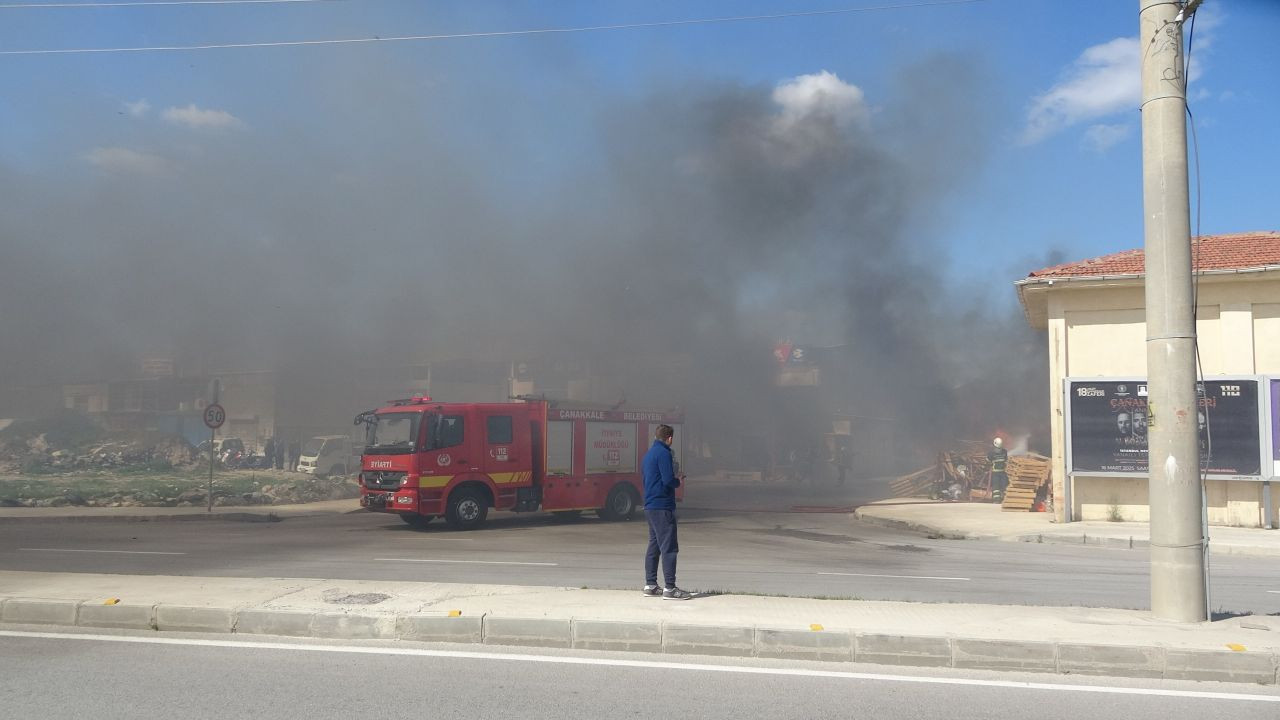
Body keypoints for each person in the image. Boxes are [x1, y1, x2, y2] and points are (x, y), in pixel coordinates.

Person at [641, 424, 691, 600]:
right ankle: (670, 588)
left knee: (654, 546)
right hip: (663, 506)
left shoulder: (648, 455)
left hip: (650, 506)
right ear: (669, 438)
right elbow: (668, 480)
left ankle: (651, 585)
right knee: (669, 547)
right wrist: (678, 481)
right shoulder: (664, 454)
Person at [988, 437, 1008, 502]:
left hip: (995, 473)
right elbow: (1006, 460)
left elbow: (988, 461)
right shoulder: (1004, 451)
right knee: (1004, 485)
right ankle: (1005, 499)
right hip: (1003, 472)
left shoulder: (991, 453)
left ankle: (996, 500)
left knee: (996, 487)